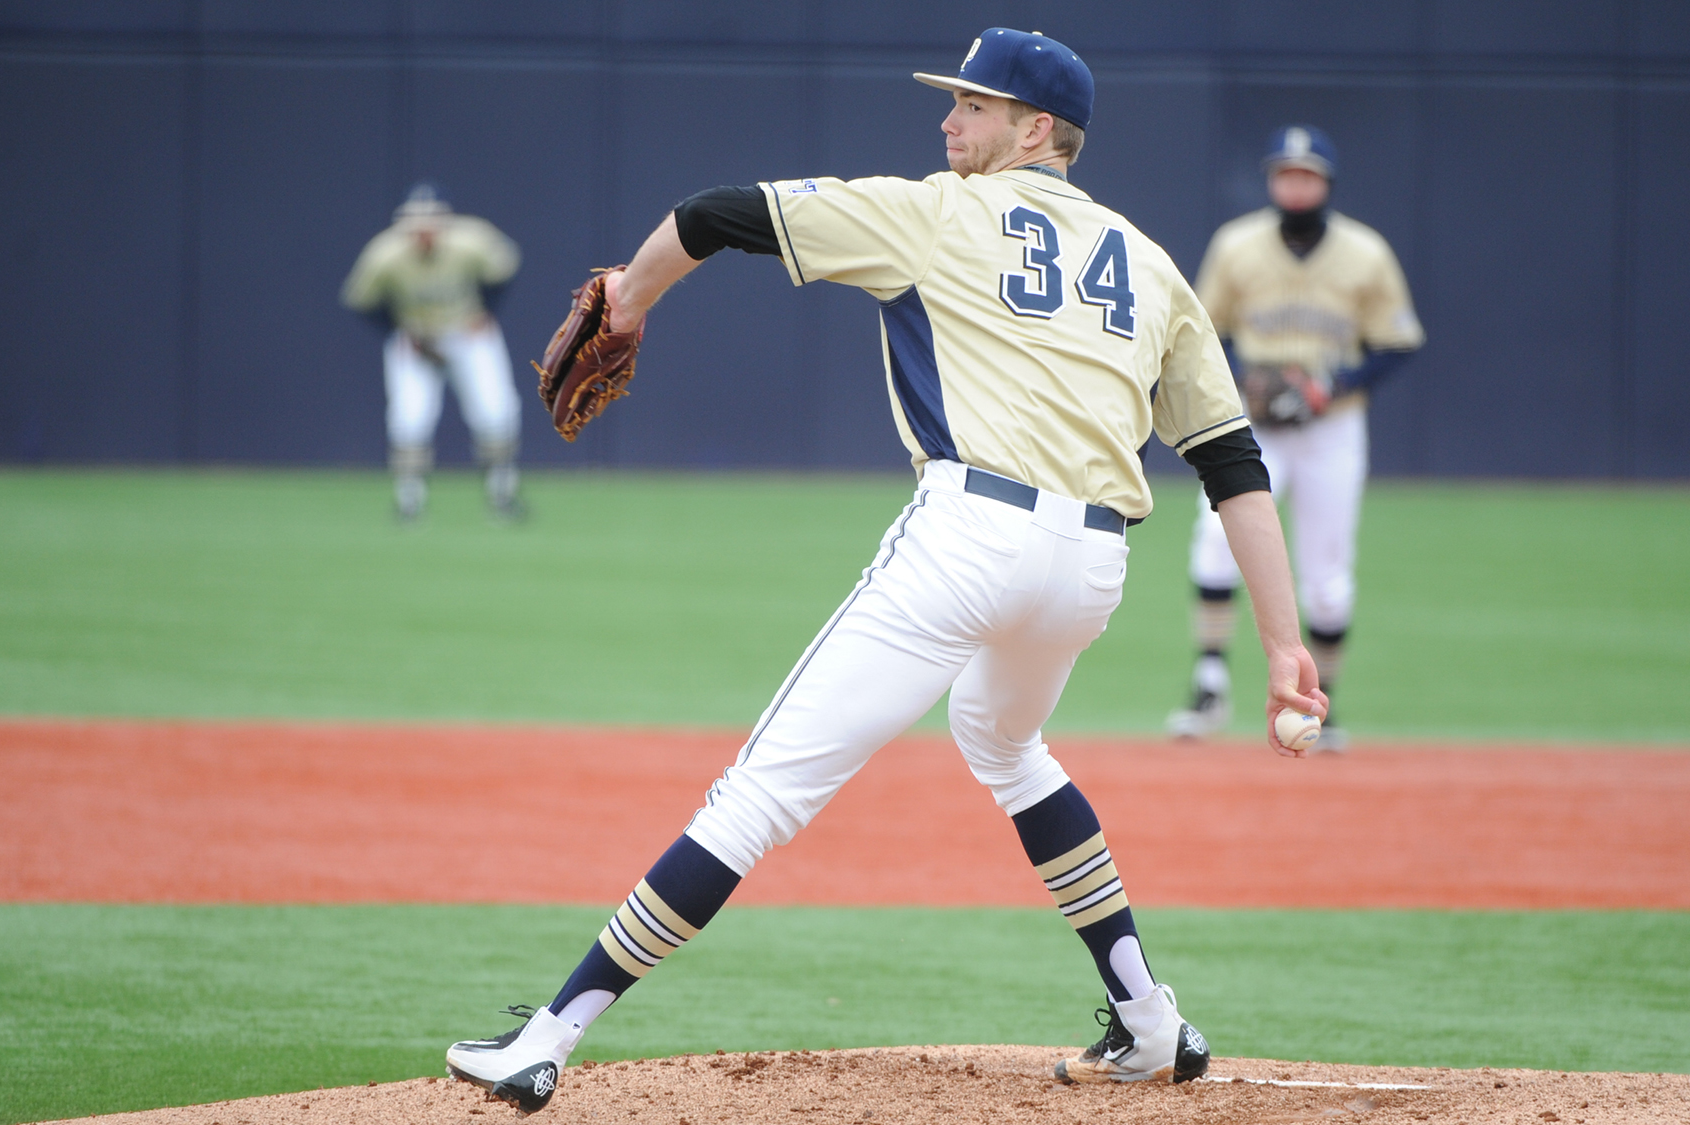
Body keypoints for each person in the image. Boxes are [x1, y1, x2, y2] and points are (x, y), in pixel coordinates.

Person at [441, 30, 1326, 1113]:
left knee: (760, 793)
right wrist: (1283, 645)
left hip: (969, 538)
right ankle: (1148, 1020)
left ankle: (544, 1039)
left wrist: (627, 300)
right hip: (1091, 567)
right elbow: (1231, 463)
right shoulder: (1149, 265)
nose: (948, 120)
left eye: (973, 105)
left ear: (1036, 130)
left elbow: (714, 214)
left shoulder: (937, 212)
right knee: (1003, 743)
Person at [1166, 126, 1424, 749]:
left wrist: (1334, 386)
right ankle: (1209, 684)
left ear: (1326, 183)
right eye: (1286, 173)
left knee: (1328, 577)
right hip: (1253, 425)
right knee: (1215, 541)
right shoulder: (1237, 246)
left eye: (1307, 174)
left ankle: (1321, 701)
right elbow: (1204, 327)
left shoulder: (1365, 252)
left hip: (1332, 430)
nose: (1296, 184)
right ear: (1272, 180)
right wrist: (1247, 377)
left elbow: (1398, 341)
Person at [342, 184, 525, 521]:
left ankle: (502, 492)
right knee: (409, 418)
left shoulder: (470, 240)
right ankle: (409, 499)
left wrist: (486, 312)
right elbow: (360, 300)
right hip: (417, 339)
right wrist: (399, 330)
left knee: (496, 411)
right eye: (417, 226)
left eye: (430, 225)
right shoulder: (385, 253)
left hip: (467, 334)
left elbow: (504, 269)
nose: (424, 234)